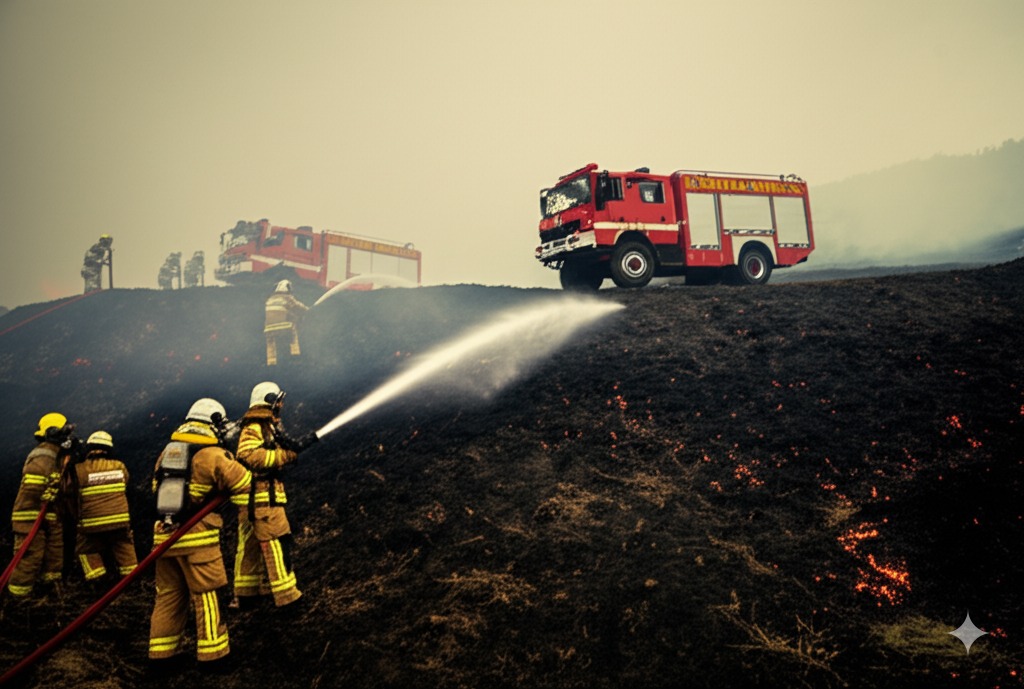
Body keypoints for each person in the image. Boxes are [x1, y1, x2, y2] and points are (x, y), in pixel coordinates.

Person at [148, 398, 251, 665]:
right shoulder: (212, 455)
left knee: (169, 595)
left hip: (164, 538)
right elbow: (244, 485)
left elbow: (154, 491)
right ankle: (214, 655)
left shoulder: (167, 453)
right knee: (206, 594)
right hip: (197, 540)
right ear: (213, 423)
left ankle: (160, 655)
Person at [232, 382, 317, 608]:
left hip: (253, 501)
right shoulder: (256, 427)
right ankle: (288, 598)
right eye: (277, 400)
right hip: (263, 500)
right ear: (268, 400)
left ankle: (248, 595)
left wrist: (293, 450)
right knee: (278, 544)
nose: (281, 405)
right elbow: (249, 456)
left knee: (249, 548)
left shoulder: (264, 426)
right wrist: (285, 456)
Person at [7, 413, 76, 599]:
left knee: (54, 557)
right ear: (54, 432)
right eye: (65, 430)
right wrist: (43, 495)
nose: (68, 435)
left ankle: (51, 594)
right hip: (30, 516)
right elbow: (33, 487)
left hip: (50, 516)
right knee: (30, 558)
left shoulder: (56, 455)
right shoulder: (43, 455)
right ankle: (18, 599)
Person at [70, 431, 137, 584]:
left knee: (85, 549)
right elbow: (126, 485)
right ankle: (131, 579)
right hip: (120, 521)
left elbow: (70, 494)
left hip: (91, 525)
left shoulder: (79, 470)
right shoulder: (120, 466)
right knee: (124, 545)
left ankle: (97, 579)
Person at [264, 280, 308, 366]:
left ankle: (271, 361)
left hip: (269, 328)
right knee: (293, 331)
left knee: (271, 342)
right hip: (284, 327)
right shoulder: (287, 298)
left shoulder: (269, 300)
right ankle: (295, 353)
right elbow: (298, 307)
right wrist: (307, 310)